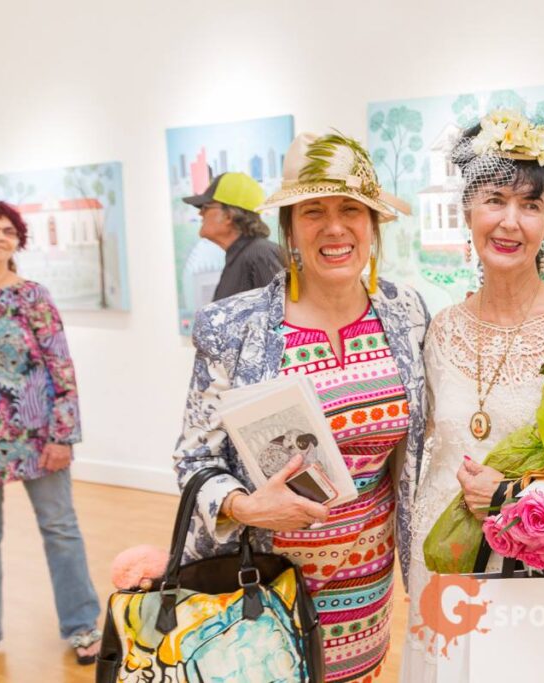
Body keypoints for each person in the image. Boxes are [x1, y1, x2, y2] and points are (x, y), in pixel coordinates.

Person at [173, 132, 428, 683]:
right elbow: (193, 460)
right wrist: (243, 506)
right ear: (289, 227)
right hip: (262, 584)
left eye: (350, 210)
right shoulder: (234, 326)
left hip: (368, 582)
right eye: (313, 211)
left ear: (373, 224)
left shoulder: (406, 312)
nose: (334, 228)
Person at [400, 112, 544, 683]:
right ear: (468, 209)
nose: (510, 221)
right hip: (449, 561)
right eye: (495, 199)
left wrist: (523, 497)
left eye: (531, 205)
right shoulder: (441, 329)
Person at [0, 201, 102, 664]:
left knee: (60, 528)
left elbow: (61, 365)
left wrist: (63, 435)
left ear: (18, 241)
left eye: (7, 230)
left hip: (38, 435)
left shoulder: (33, 296)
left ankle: (82, 627)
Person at [182, 171, 285, 301]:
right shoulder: (242, 256)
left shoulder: (260, 255)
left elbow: (282, 313)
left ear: (229, 216)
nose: (200, 213)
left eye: (206, 207)